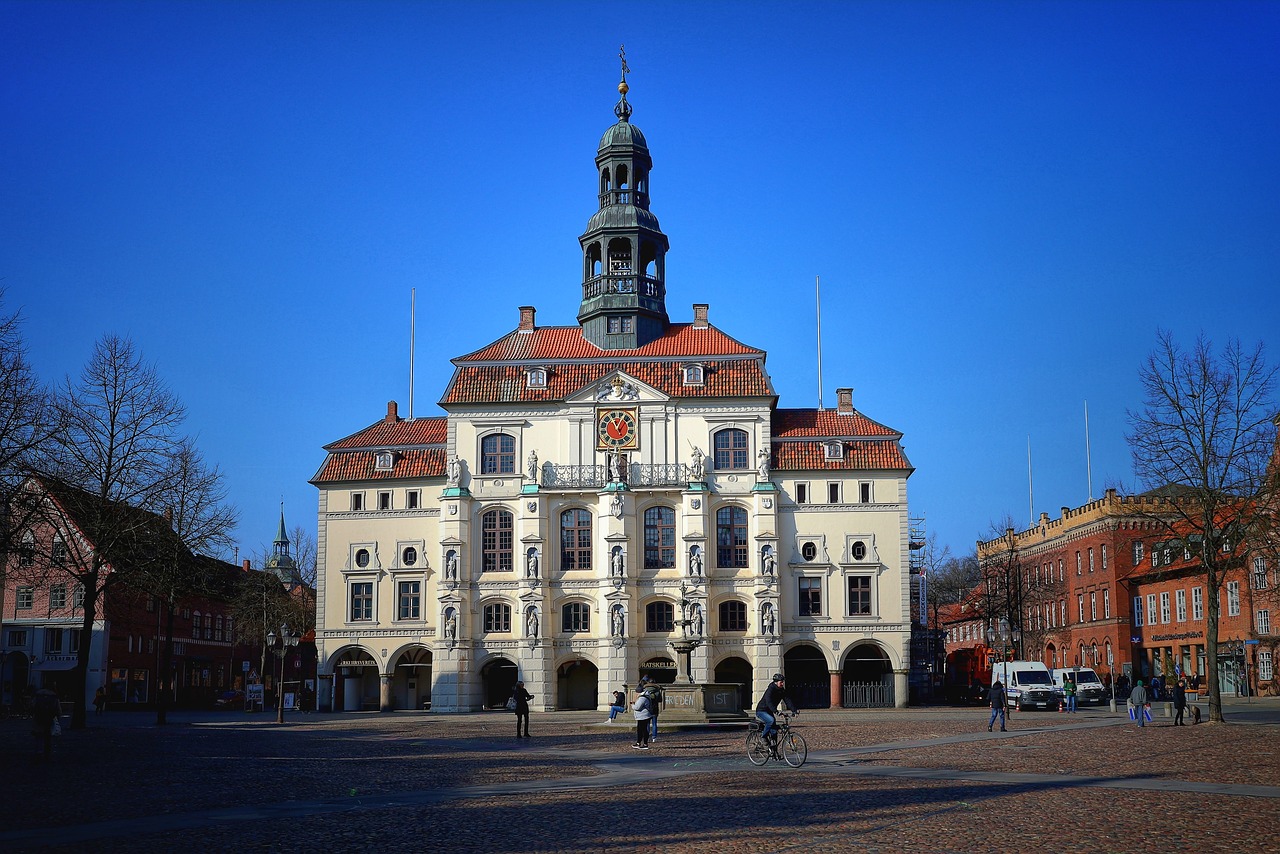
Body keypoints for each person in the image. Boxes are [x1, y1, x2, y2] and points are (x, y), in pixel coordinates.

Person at [755, 673, 797, 750]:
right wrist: (776, 712)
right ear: (776, 682)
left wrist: (794, 710)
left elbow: (787, 700)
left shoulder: (781, 690)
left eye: (783, 682)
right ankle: (763, 737)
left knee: (774, 731)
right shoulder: (770, 690)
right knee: (771, 721)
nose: (782, 683)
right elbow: (769, 702)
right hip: (762, 710)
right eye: (781, 682)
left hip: (770, 711)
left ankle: (774, 751)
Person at [32, 687, 60, 760]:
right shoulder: (54, 696)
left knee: (39, 735)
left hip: (38, 718)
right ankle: (47, 753)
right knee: (48, 737)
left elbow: (32, 706)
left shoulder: (38, 695)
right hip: (49, 718)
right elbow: (58, 710)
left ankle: (39, 752)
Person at [631, 685, 653, 750]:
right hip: (643, 716)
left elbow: (637, 707)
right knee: (642, 730)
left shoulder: (642, 698)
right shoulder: (645, 696)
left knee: (642, 730)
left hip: (643, 716)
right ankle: (640, 743)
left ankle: (643, 743)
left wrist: (632, 705)